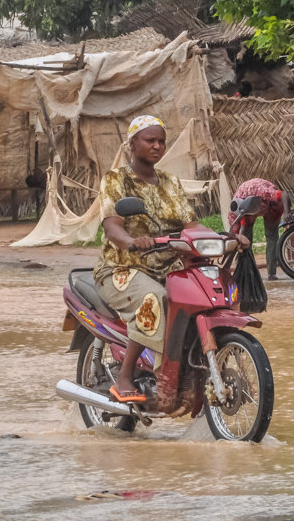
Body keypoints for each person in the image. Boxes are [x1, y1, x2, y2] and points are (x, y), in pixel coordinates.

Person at [95, 115, 250, 403]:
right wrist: (131, 242)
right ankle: (125, 375)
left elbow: (190, 225)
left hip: (169, 265)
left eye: (161, 141)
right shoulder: (115, 180)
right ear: (132, 144)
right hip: (123, 267)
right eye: (150, 140)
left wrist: (225, 238)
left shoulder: (170, 182)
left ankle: (191, 370)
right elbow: (111, 225)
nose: (157, 146)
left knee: (204, 294)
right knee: (156, 297)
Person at [227, 179, 286, 281]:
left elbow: (284, 195)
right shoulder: (235, 213)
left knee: (272, 236)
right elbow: (233, 237)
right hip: (249, 206)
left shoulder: (264, 193)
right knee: (244, 238)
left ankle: (271, 273)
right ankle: (248, 271)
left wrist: (287, 213)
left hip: (270, 204)